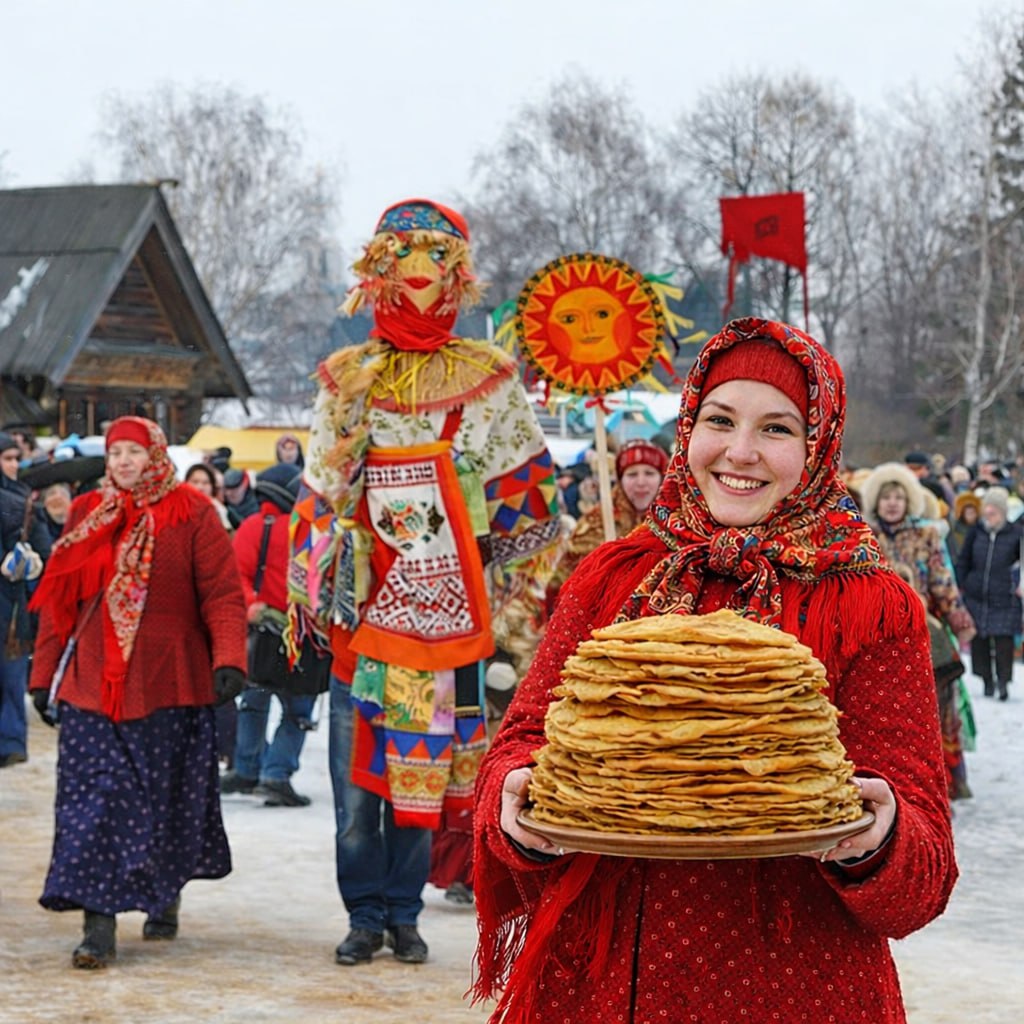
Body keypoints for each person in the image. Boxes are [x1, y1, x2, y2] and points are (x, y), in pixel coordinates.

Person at [473, 318, 957, 1023]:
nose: (739, 452)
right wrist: (517, 805)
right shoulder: (611, 580)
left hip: (788, 987)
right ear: (687, 427)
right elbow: (518, 750)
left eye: (777, 429)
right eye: (719, 419)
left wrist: (878, 840)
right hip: (603, 986)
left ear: (819, 444)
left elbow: (923, 874)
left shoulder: (869, 604)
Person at [289, 198, 560, 968]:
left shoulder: (490, 382)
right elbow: (318, 499)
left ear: (458, 275)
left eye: (435, 262)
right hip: (362, 625)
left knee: (420, 789)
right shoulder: (347, 380)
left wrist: (507, 608)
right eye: (402, 261)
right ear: (377, 274)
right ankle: (362, 915)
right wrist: (321, 575)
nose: (418, 278)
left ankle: (404, 914)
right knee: (354, 797)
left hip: (447, 634)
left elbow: (533, 505)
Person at [26, 416, 247, 969]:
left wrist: (228, 660)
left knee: (163, 799)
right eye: (116, 452)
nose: (124, 461)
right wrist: (41, 675)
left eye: (134, 451)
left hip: (173, 682)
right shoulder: (86, 515)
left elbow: (222, 594)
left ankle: (162, 893)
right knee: (93, 803)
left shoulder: (192, 513)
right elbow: (61, 602)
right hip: (92, 687)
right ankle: (97, 925)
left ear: (155, 456)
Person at [859, 460, 975, 800]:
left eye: (898, 497)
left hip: (921, 632)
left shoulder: (927, 535)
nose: (892, 503)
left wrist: (960, 621)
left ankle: (937, 779)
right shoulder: (865, 536)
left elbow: (943, 582)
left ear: (908, 501)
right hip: (875, 635)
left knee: (932, 708)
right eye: (886, 498)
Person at [222, 462, 315, 806]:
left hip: (260, 637)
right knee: (298, 710)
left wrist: (254, 606)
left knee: (254, 703)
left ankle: (247, 768)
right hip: (300, 638)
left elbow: (236, 578)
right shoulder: (307, 530)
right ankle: (276, 774)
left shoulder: (251, 527)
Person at [546, 437, 668, 608]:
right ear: (620, 479)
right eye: (632, 474)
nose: (641, 482)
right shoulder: (597, 522)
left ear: (662, 478)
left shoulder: (675, 524)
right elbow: (563, 582)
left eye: (649, 473)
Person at [0, 432, 51, 768]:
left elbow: (45, 552)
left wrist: (33, 561)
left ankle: (12, 741)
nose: (14, 465)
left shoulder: (28, 503)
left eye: (17, 458)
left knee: (12, 672)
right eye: (6, 458)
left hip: (13, 601)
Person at [955, 486, 1022, 702]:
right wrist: (962, 581)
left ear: (1002, 512)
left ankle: (1003, 681)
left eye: (993, 512)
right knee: (979, 639)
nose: (989, 516)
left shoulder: (1017, 533)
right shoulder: (977, 531)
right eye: (987, 511)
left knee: (1004, 640)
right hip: (977, 594)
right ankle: (986, 679)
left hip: (1005, 595)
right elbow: (964, 559)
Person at [185, 462, 233, 533]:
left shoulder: (221, 510)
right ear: (185, 483)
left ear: (212, 487)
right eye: (195, 482)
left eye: (205, 483)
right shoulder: (178, 509)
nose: (200, 487)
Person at [948, 490, 981, 562]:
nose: (971, 516)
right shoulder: (954, 530)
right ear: (962, 513)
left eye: (973, 512)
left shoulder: (981, 529)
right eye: (968, 513)